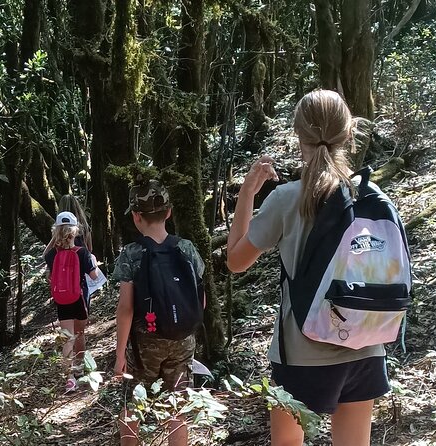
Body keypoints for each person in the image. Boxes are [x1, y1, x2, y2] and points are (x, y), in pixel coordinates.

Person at [226, 90, 391, 446]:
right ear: (348, 133)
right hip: (365, 344)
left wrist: (246, 194)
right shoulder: (371, 195)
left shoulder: (287, 198)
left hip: (302, 350)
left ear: (297, 134)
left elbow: (235, 262)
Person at [113, 180, 205, 446]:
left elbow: (126, 308)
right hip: (183, 341)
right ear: (169, 212)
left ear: (135, 216)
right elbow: (201, 300)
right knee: (178, 404)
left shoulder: (132, 253)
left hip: (145, 346)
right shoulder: (186, 248)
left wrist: (120, 354)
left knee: (133, 403)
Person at [45, 211, 99, 392]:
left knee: (67, 337)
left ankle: (69, 379)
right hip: (79, 298)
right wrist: (94, 262)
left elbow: (50, 277)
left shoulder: (51, 255)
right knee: (80, 333)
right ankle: (79, 367)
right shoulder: (83, 253)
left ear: (57, 231)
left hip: (62, 300)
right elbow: (94, 275)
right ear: (75, 231)